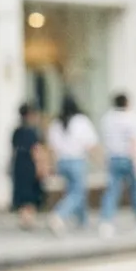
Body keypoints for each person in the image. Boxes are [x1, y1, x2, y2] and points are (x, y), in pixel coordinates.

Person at [97, 93, 136, 237]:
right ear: (126, 103)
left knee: (112, 190)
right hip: (128, 157)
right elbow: (134, 141)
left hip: (113, 158)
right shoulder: (131, 118)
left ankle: (106, 221)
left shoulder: (107, 119)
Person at [47, 95, 98, 234]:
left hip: (62, 161)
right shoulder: (81, 121)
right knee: (78, 193)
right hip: (77, 161)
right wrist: (97, 158)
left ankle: (82, 221)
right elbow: (90, 143)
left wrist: (53, 164)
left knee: (74, 191)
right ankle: (59, 215)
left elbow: (52, 147)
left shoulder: (56, 123)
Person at [9, 104, 46, 230]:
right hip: (29, 165)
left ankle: (24, 218)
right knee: (30, 192)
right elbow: (36, 150)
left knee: (21, 191)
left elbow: (13, 150)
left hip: (18, 164)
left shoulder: (16, 132)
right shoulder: (31, 132)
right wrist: (41, 166)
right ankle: (28, 219)